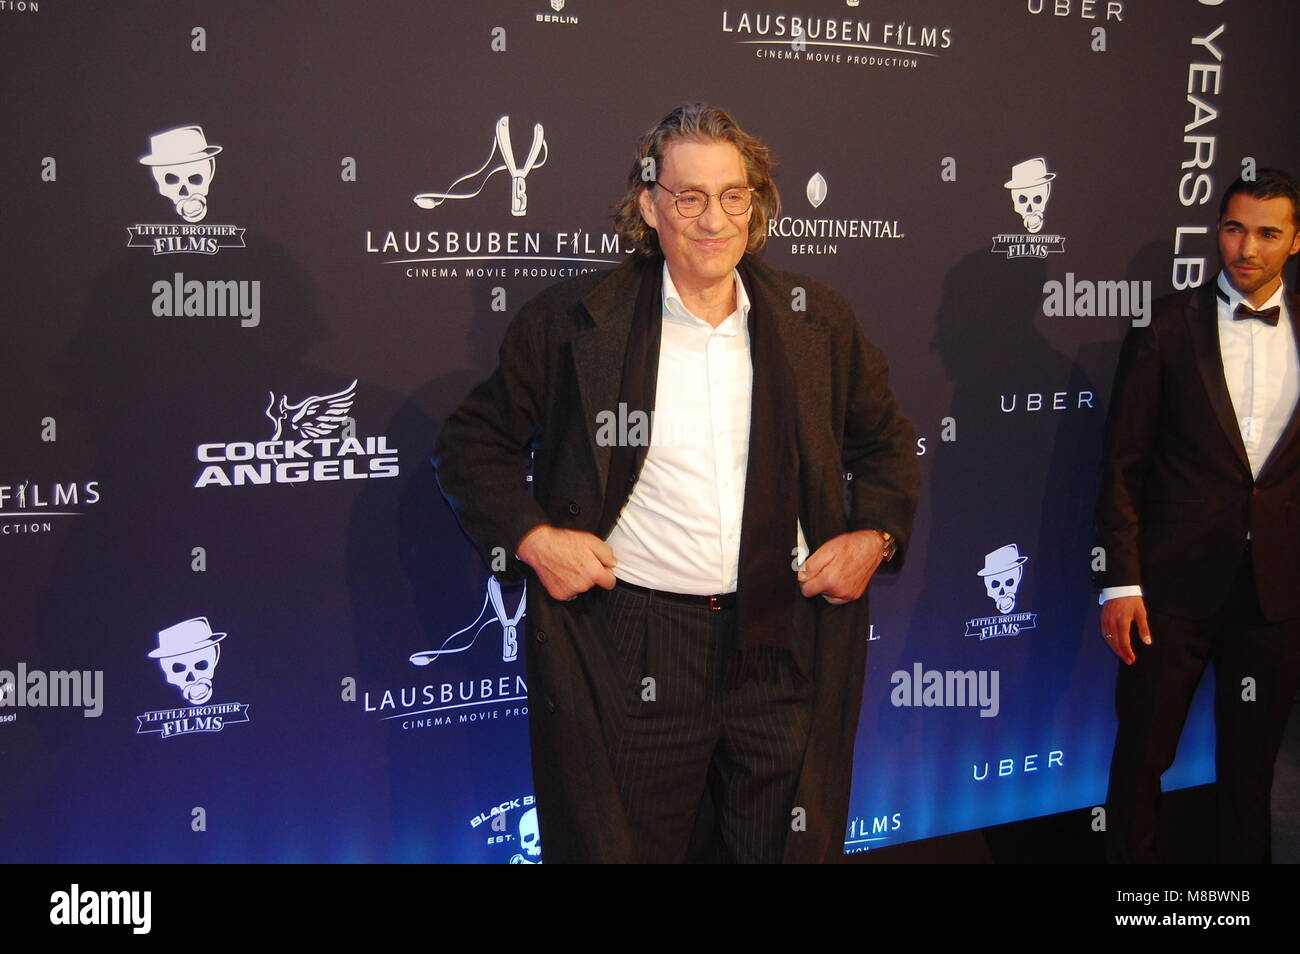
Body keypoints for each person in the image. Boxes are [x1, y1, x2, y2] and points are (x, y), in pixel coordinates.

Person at [434, 103, 919, 863]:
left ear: (755, 205)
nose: (712, 218)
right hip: (636, 645)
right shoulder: (573, 323)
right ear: (650, 204)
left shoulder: (815, 320)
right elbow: (471, 444)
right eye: (688, 196)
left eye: (732, 195)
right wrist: (534, 539)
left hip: (783, 640)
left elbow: (888, 444)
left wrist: (876, 536)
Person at [1096, 168, 1300, 863]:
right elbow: (1124, 463)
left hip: (1272, 598)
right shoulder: (1165, 326)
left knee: (1251, 773)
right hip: (1169, 595)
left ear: (1295, 241)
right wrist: (1122, 583)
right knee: (1141, 763)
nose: (1247, 247)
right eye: (1234, 228)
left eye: (1268, 233)